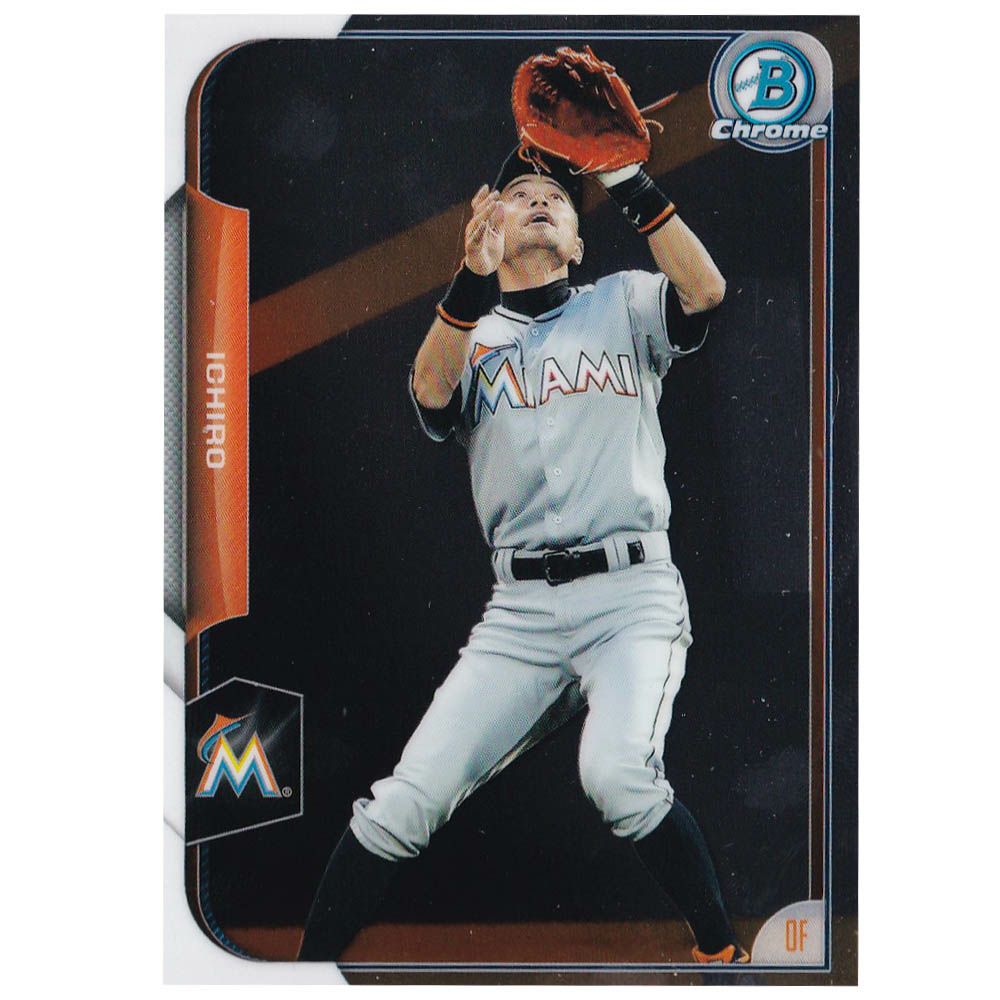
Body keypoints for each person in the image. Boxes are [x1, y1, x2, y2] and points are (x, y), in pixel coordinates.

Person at [298, 147, 749, 965]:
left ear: (577, 241)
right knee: (405, 801)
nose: (539, 199)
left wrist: (627, 180)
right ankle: (294, 979)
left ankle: (721, 957)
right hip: (521, 613)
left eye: (556, 197)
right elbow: (431, 391)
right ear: (488, 225)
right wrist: (469, 280)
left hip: (630, 596)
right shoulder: (466, 333)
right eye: (519, 194)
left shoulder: (623, 301)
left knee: (617, 775)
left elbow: (705, 291)